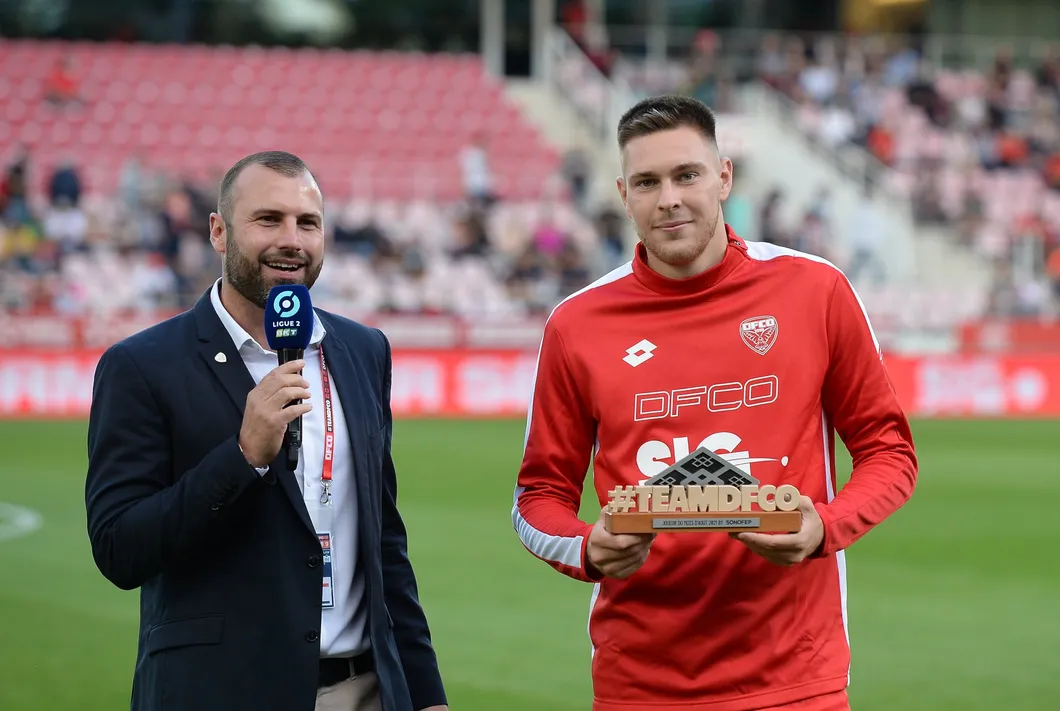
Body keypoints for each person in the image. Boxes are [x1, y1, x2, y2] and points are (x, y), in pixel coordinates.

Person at [510, 95, 918, 711]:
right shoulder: (577, 324)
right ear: (623, 193)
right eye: (647, 181)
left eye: (687, 174)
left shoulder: (815, 290)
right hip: (640, 683)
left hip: (794, 678)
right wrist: (588, 547)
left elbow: (890, 452)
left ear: (723, 177)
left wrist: (823, 528)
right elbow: (537, 498)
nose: (668, 197)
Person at [85, 151, 448, 711]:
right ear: (219, 232)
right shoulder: (142, 365)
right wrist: (241, 457)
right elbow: (118, 549)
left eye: (308, 223)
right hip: (221, 692)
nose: (292, 240)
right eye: (268, 220)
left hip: (366, 690)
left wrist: (426, 694)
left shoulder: (362, 351)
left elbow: (383, 541)